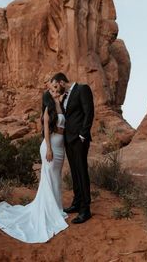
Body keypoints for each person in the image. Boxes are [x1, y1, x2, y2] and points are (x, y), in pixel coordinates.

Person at [0, 87, 68, 243]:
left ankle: (57, 209)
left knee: (56, 179)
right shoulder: (48, 109)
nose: (56, 92)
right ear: (48, 97)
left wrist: (62, 97)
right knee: (49, 178)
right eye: (52, 92)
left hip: (60, 148)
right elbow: (46, 130)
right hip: (50, 147)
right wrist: (49, 149)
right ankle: (51, 211)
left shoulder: (59, 106)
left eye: (56, 90)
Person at [50, 72, 94, 224]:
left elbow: (89, 112)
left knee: (81, 172)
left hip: (79, 139)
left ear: (62, 82)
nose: (56, 88)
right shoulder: (66, 96)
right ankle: (77, 203)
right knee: (75, 172)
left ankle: (85, 209)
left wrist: (83, 134)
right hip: (68, 140)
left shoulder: (82, 89)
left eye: (56, 85)